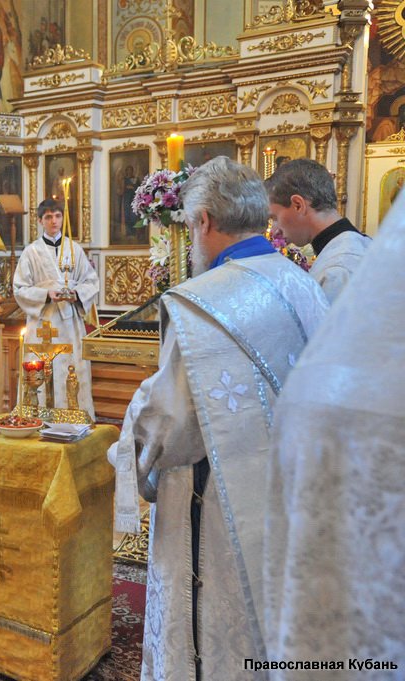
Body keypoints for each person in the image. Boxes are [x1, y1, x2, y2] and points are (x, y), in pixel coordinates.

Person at [107, 157, 328, 680]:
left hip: (217, 513)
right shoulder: (303, 283)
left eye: (189, 227)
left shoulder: (200, 305)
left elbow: (170, 426)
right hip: (292, 495)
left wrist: (126, 444)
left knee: (215, 640)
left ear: (203, 221)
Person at [263, 193, 405, 680]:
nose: (276, 228)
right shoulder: (360, 250)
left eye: (277, 216)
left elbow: (332, 379)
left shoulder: (339, 266)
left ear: (298, 204)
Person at [12, 198, 98, 419]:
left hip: (69, 323)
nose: (54, 221)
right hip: (43, 320)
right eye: (48, 217)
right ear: (40, 220)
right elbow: (19, 288)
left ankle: (73, 417)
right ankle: (38, 417)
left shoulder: (74, 249)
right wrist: (45, 295)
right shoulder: (31, 252)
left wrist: (76, 294)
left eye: (58, 216)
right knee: (40, 370)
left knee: (71, 367)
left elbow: (91, 281)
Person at [265, 158, 370, 302]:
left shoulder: (337, 271)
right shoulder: (355, 244)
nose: (273, 231)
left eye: (275, 218)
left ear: (298, 205)